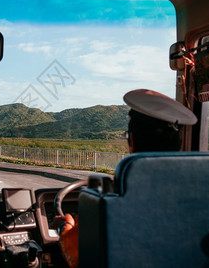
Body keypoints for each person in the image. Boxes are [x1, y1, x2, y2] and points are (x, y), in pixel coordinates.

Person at [54, 89, 198, 268]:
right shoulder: (200, 190)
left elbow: (76, 254)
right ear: (178, 143)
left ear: (132, 141)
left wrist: (65, 226)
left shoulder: (115, 199)